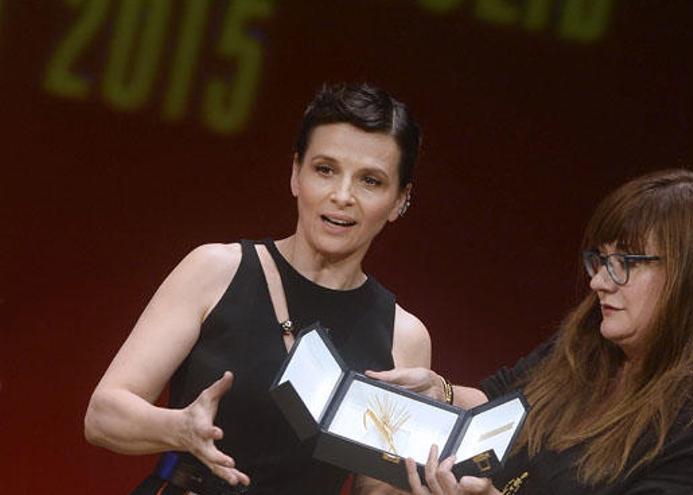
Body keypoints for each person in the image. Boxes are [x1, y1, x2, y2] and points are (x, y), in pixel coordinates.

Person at [84, 83, 432, 495]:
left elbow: (377, 489)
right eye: (325, 169)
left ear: (399, 201)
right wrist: (178, 428)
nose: (342, 196)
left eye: (370, 181)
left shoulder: (403, 337)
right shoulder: (217, 270)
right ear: (295, 174)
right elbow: (102, 416)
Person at [368, 169, 693, 494]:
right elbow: (502, 394)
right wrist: (443, 392)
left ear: (688, 276)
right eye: (600, 260)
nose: (599, 283)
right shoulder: (590, 339)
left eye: (624, 262)